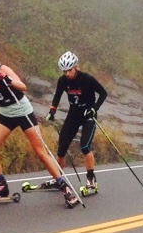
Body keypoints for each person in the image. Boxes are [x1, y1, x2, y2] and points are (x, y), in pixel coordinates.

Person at [0, 41, 79, 208]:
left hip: (23, 111)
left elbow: (22, 87)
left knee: (40, 152)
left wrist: (6, 79)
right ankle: (2, 186)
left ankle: (65, 188)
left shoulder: (2, 69)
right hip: (6, 114)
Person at [44, 51, 108, 193]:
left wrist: (94, 108)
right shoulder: (63, 81)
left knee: (84, 146)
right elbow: (57, 96)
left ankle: (91, 180)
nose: (67, 73)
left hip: (88, 115)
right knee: (61, 148)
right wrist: (52, 110)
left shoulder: (87, 79)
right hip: (74, 114)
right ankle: (58, 179)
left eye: (70, 70)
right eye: (65, 71)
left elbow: (103, 93)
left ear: (76, 67)